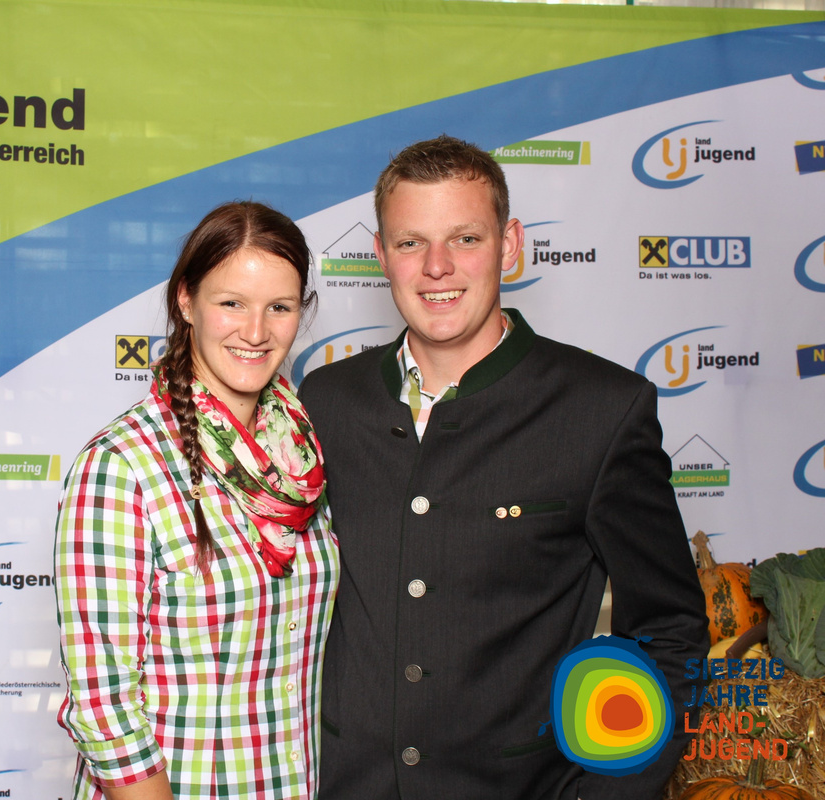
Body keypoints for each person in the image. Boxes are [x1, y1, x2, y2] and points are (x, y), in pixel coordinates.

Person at [297, 136, 709, 799]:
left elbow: (670, 633)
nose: (437, 267)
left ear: (509, 245)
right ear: (381, 255)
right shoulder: (325, 401)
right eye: (411, 242)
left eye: (465, 239)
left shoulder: (602, 410)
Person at [54, 201, 338, 800]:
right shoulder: (121, 466)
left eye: (280, 307)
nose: (256, 332)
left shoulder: (302, 455)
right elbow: (104, 710)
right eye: (231, 303)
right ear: (186, 301)